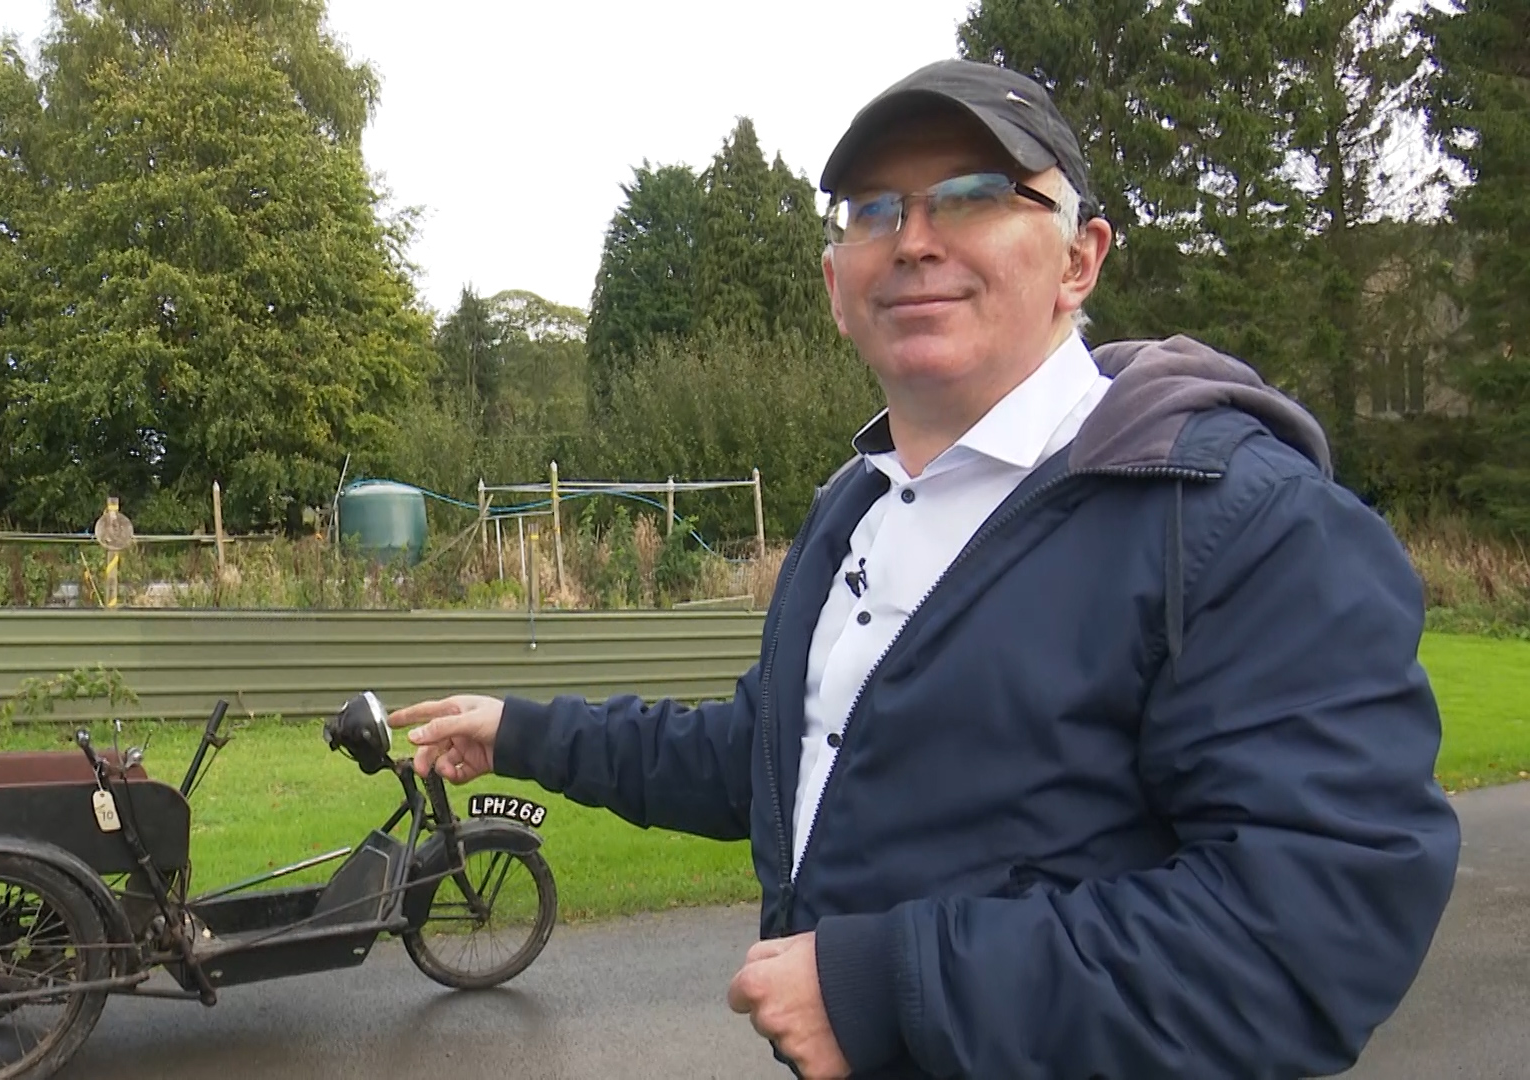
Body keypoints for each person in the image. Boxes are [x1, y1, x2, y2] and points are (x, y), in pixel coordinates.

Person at [386, 58, 1460, 1080]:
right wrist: (521, 732)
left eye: (974, 195)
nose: (911, 240)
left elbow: (1316, 930)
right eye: (872, 210)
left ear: (1080, 257)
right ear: (836, 284)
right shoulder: (854, 510)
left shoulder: (1235, 519)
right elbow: (774, 758)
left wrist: (884, 990)